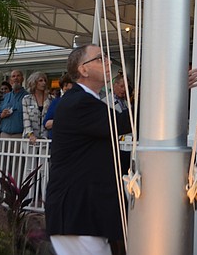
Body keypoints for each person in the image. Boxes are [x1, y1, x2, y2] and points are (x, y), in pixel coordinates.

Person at [46, 45, 132, 255]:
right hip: (77, 211)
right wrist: (166, 94)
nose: (108, 62)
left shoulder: (88, 101)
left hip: (86, 213)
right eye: (100, 58)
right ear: (83, 70)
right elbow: (122, 122)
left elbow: (101, 155)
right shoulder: (78, 102)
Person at [22, 71, 52, 144]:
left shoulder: (51, 99)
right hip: (30, 139)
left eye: (45, 80)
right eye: (40, 81)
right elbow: (26, 118)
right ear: (34, 82)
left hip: (46, 138)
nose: (44, 83)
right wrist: (30, 134)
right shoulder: (26, 99)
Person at [0, 69, 27, 138]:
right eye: (13, 76)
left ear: (22, 79)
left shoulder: (28, 97)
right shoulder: (4, 97)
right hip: (4, 134)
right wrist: (1, 115)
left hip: (20, 135)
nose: (16, 78)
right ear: (10, 81)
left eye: (18, 76)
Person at [44, 73, 74, 139]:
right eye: (64, 85)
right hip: (58, 140)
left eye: (69, 84)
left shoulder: (81, 102)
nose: (66, 87)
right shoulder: (56, 102)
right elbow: (47, 124)